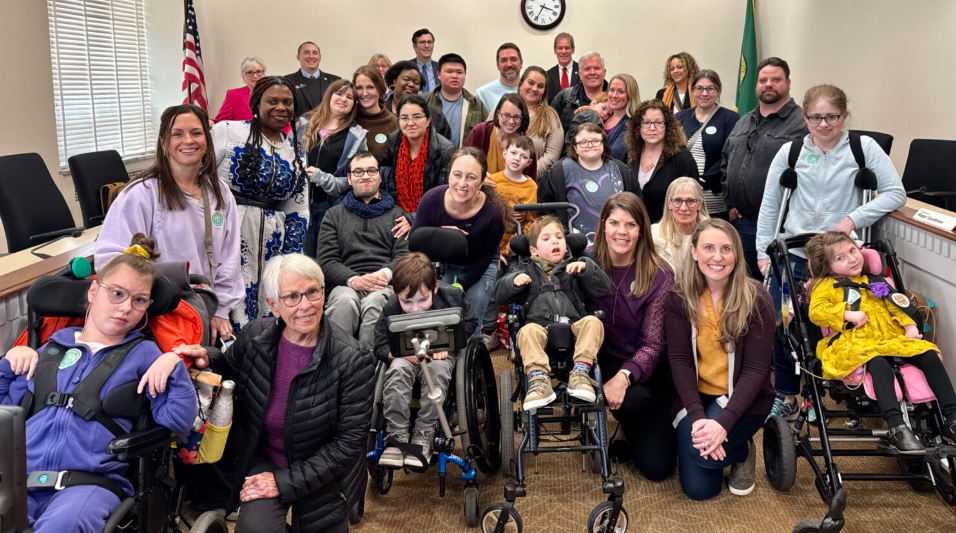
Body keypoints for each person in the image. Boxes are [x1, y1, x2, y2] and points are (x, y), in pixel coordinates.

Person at [1, 237, 199, 533]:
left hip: (89, 484)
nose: (125, 308)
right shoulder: (51, 349)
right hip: (21, 478)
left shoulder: (144, 355)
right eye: (117, 294)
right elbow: (5, 408)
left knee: (63, 526)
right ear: (94, 291)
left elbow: (177, 420)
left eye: (139, 300)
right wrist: (9, 362)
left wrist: (172, 366)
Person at [756, 84, 906, 419]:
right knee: (787, 329)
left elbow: (896, 193)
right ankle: (789, 396)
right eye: (815, 117)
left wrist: (853, 219)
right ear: (804, 117)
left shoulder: (861, 148)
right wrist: (763, 253)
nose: (823, 124)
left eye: (831, 117)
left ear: (844, 115)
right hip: (794, 256)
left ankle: (827, 395)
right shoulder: (791, 152)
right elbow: (770, 205)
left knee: (838, 324)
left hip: (841, 261)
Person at [213, 253, 374, 533]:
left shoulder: (353, 358)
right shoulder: (255, 339)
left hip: (327, 475)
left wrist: (282, 482)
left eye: (312, 292)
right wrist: (199, 357)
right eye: (292, 297)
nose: (306, 305)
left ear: (324, 293)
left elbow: (348, 445)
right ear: (273, 306)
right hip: (269, 460)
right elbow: (224, 370)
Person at [97, 104, 241, 342]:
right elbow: (109, 259)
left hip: (204, 310)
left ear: (207, 140)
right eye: (178, 134)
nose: (188, 140)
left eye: (196, 133)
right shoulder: (142, 193)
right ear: (164, 143)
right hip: (156, 315)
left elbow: (230, 255)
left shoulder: (220, 191)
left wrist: (222, 309)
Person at [805, 231, 956, 453]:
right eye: (841, 258)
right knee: (877, 363)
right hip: (855, 341)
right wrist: (847, 314)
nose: (853, 258)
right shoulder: (825, 286)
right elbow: (816, 312)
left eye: (852, 251)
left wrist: (910, 326)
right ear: (827, 266)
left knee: (928, 354)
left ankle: (952, 418)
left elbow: (897, 305)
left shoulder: (876, 282)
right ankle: (897, 427)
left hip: (890, 338)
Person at [665, 218, 775, 500]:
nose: (717, 257)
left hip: (742, 398)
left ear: (736, 254)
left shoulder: (757, 298)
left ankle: (741, 449)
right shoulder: (679, 298)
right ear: (694, 251)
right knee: (699, 490)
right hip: (698, 397)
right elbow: (680, 361)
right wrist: (700, 418)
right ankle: (727, 447)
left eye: (726, 249)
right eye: (709, 248)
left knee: (703, 457)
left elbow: (755, 370)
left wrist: (722, 424)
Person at [590, 192, 677, 481]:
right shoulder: (587, 263)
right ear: (603, 225)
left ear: (642, 230)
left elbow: (653, 344)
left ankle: (629, 425)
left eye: (630, 225)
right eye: (614, 223)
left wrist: (624, 376)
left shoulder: (660, 275)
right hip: (598, 361)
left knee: (657, 469)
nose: (621, 232)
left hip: (643, 372)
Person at [212, 76, 308, 330]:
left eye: (287, 102)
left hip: (273, 241)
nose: (281, 108)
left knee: (268, 302)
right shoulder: (228, 132)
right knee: (231, 299)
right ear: (256, 103)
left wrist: (290, 257)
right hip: (230, 230)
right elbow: (199, 181)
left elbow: (298, 207)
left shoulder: (295, 152)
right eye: (272, 101)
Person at [495, 216, 611, 410]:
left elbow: (604, 288)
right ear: (533, 250)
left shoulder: (575, 266)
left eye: (559, 237)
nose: (555, 241)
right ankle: (538, 379)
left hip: (574, 331)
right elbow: (499, 297)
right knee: (527, 330)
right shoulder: (525, 271)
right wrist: (513, 281)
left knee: (593, 322)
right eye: (546, 239)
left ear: (566, 245)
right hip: (541, 333)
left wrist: (587, 268)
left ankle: (581, 373)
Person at [375, 252, 478, 467]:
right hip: (406, 357)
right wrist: (398, 354)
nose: (415, 308)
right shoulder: (391, 307)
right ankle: (397, 435)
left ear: (435, 288)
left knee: (437, 371)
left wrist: (449, 345)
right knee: (397, 370)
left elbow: (470, 322)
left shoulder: (451, 297)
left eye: (423, 299)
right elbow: (379, 344)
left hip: (440, 356)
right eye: (407, 301)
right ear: (396, 294)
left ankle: (424, 433)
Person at [720, 57, 808, 279]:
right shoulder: (745, 121)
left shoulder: (802, 123)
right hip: (743, 224)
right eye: (763, 80)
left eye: (776, 79)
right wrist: (730, 202)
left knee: (778, 292)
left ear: (788, 83)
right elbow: (726, 161)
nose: (769, 84)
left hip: (781, 227)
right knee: (745, 288)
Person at [410, 148, 509, 337]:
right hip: (443, 264)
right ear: (449, 176)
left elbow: (488, 255)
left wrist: (462, 284)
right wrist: (443, 233)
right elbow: (415, 242)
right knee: (441, 319)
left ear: (482, 182)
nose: (462, 183)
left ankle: (474, 359)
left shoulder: (494, 212)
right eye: (457, 175)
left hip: (480, 264)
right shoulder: (431, 200)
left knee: (470, 323)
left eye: (471, 177)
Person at [317, 151, 410, 352]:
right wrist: (354, 280)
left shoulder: (398, 215)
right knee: (344, 302)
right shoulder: (334, 216)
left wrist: (383, 275)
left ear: (379, 176)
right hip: (346, 284)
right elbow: (326, 260)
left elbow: (403, 257)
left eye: (371, 171)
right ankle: (335, 362)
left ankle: (369, 365)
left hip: (384, 284)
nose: (365, 176)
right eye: (358, 172)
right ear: (349, 178)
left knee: (376, 302)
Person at [538, 120, 640, 247]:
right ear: (575, 147)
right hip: (575, 246)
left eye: (595, 141)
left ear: (603, 144)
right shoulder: (558, 172)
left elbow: (637, 206)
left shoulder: (621, 170)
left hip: (618, 244)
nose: (590, 145)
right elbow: (545, 210)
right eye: (583, 142)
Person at [300, 79, 369, 256]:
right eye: (339, 93)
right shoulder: (304, 126)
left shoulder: (356, 135)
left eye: (350, 97)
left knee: (327, 260)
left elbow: (354, 179)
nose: (343, 99)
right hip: (300, 205)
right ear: (329, 96)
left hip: (331, 207)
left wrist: (322, 178)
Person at [676, 70, 740, 220]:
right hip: (683, 196)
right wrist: (689, 179)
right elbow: (672, 152)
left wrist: (706, 178)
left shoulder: (730, 118)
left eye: (710, 88)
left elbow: (732, 153)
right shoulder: (680, 118)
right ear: (692, 91)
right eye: (699, 88)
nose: (704, 93)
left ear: (718, 91)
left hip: (714, 196)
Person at [624, 99, 699, 223]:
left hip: (669, 232)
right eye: (646, 123)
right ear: (638, 127)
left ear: (667, 126)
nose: (652, 128)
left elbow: (693, 200)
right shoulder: (630, 155)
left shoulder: (682, 158)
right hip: (634, 228)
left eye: (658, 123)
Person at [380, 94, 456, 213]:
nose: (410, 123)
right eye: (404, 118)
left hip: (431, 214)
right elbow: (385, 184)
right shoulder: (393, 142)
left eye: (416, 117)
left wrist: (413, 218)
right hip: (396, 212)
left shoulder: (445, 150)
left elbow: (443, 196)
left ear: (428, 120)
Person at [463, 93, 538, 180]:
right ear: (498, 114)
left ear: (522, 118)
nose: (511, 121)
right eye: (506, 115)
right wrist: (479, 178)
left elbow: (530, 180)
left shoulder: (526, 144)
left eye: (516, 117)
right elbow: (463, 162)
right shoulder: (481, 132)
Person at [423, 53, 488, 148]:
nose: (454, 76)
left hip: (465, 159)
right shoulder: (424, 101)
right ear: (439, 75)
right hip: (430, 159)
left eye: (459, 72)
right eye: (449, 71)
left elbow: (485, 136)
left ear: (465, 75)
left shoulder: (476, 104)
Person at [490, 135, 537, 257]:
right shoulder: (491, 181)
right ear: (505, 153)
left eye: (524, 156)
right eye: (513, 153)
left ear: (529, 162)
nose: (517, 159)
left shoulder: (531, 187)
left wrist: (513, 247)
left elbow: (530, 222)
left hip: (515, 249)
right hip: (488, 245)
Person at [651, 177, 709, 272]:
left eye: (690, 201)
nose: (683, 208)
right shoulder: (654, 235)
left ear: (699, 204)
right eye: (677, 200)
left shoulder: (711, 235)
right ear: (669, 203)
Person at [385, 61, 454, 141]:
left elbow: (446, 146)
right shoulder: (381, 112)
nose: (411, 84)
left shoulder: (435, 116)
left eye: (416, 82)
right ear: (394, 81)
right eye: (406, 79)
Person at [517, 66, 564, 175]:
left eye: (540, 86)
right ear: (520, 84)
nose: (534, 89)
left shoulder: (550, 116)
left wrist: (526, 176)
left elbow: (552, 156)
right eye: (531, 83)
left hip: (534, 182)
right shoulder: (503, 108)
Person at [552, 52, 609, 133]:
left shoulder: (615, 99)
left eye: (596, 68)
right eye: (587, 69)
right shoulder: (564, 97)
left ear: (604, 72)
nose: (592, 72)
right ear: (580, 74)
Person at [353, 66, 399, 160]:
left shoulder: (394, 124)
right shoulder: (348, 120)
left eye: (370, 87)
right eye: (359, 88)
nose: (364, 93)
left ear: (380, 89)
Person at [285, 41, 341, 119]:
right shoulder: (287, 82)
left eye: (315, 53)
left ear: (320, 57)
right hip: (298, 129)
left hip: (329, 129)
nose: (311, 56)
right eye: (306, 53)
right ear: (298, 57)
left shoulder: (335, 81)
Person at [213, 57, 265, 123]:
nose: (255, 76)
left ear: (264, 74)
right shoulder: (233, 95)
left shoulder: (274, 94)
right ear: (243, 77)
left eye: (258, 72)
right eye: (249, 72)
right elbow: (221, 121)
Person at [475, 43, 524, 112]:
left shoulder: (532, 91)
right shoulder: (482, 94)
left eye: (513, 59)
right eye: (504, 60)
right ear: (498, 65)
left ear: (521, 63)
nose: (509, 64)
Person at [605, 74, 640, 161]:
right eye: (612, 90)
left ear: (630, 95)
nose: (614, 95)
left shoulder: (631, 124)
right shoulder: (603, 117)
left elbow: (614, 155)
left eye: (620, 92)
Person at [546, 32, 578, 107]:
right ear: (555, 51)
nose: (563, 51)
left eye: (567, 48)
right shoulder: (547, 75)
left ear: (573, 50)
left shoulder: (583, 71)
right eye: (560, 48)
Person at [411, 29, 438, 93]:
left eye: (429, 42)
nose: (426, 46)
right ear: (414, 46)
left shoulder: (441, 68)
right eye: (422, 42)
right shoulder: (406, 68)